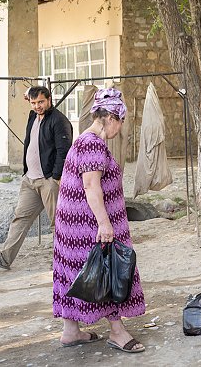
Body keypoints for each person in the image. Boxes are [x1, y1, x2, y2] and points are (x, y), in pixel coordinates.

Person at [52, 88, 146, 352]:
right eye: (122, 120)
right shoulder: (93, 143)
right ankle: (117, 331)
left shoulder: (83, 140)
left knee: (78, 273)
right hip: (88, 224)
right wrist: (105, 224)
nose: (121, 127)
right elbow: (92, 186)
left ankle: (71, 331)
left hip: (71, 224)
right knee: (107, 272)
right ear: (111, 118)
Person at [0, 86, 72, 269]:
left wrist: (56, 177)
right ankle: (5, 258)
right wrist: (29, 94)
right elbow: (28, 95)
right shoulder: (33, 115)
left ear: (49, 100)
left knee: (59, 223)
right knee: (20, 218)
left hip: (48, 181)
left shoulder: (59, 120)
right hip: (30, 180)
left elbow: (64, 151)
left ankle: (68, 262)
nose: (37, 106)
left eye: (41, 102)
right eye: (33, 103)